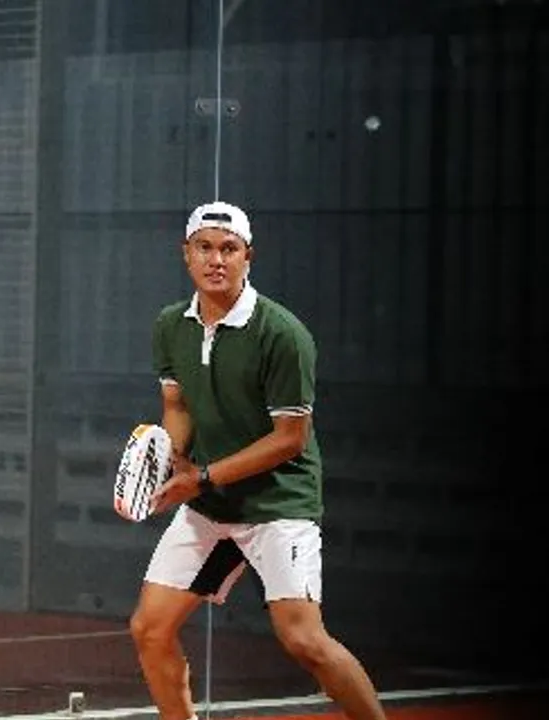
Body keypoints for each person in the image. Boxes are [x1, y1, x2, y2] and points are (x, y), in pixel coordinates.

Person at [130, 201, 388, 720]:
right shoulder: (170, 325)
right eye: (205, 247)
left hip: (279, 503)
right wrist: (170, 457)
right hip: (210, 505)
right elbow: (177, 406)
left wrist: (201, 477)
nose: (216, 259)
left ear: (248, 256)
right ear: (186, 254)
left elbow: (289, 439)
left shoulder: (283, 334)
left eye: (229, 249)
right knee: (149, 629)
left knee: (304, 640)